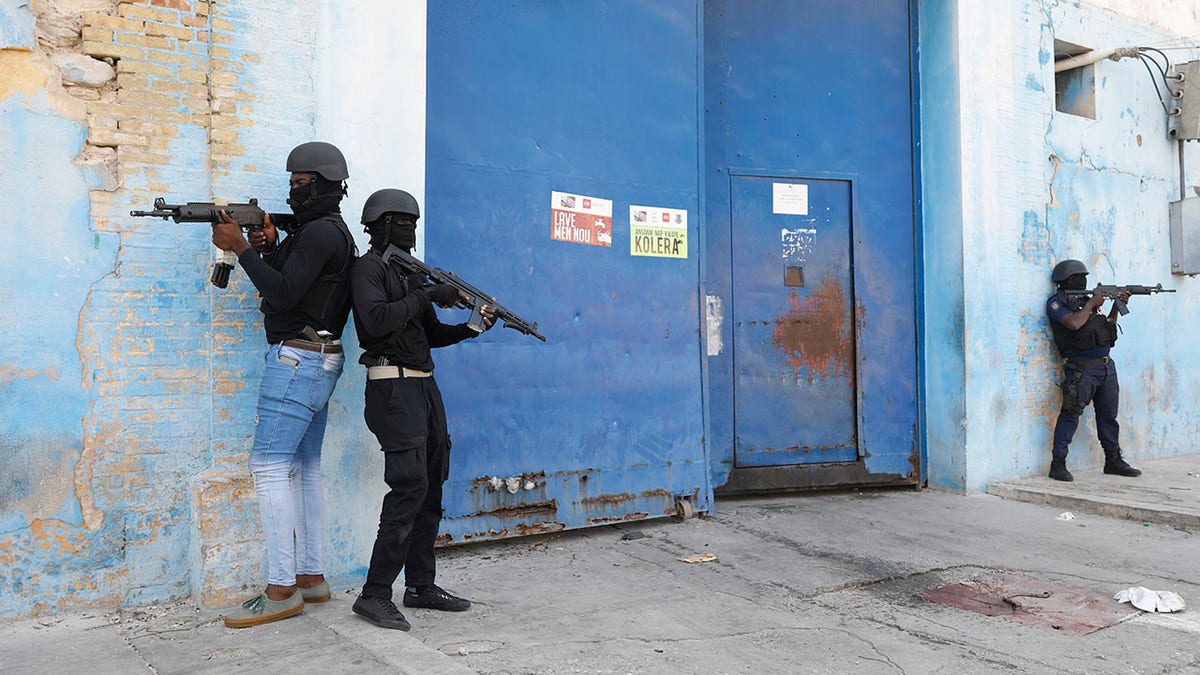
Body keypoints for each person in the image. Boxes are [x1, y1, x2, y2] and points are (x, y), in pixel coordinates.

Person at [211, 141, 357, 627]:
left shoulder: (318, 233)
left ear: (322, 185)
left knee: (269, 469)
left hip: (297, 361)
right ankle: (311, 578)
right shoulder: (328, 232)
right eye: (291, 184)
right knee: (305, 468)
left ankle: (281, 589)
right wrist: (269, 247)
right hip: (320, 358)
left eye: (300, 184)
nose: (293, 193)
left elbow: (282, 292)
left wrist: (242, 248)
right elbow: (298, 286)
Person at [348, 188, 494, 631]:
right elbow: (374, 322)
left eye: (414, 221)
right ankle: (374, 595)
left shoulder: (411, 276)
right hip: (391, 388)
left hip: (424, 389)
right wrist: (428, 295)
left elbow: (428, 335)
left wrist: (471, 327)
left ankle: (420, 586)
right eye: (401, 222)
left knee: (431, 486)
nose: (410, 229)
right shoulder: (367, 268)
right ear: (380, 225)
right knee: (409, 487)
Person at [1045, 259, 1141, 482]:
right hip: (1082, 369)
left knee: (1108, 416)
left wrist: (1116, 305)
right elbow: (1075, 324)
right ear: (1067, 280)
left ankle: (1113, 460)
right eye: (1079, 277)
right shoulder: (1056, 303)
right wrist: (1091, 304)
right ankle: (1058, 464)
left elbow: (1107, 326)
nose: (1083, 281)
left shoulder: (1088, 301)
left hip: (1105, 366)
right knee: (1070, 414)